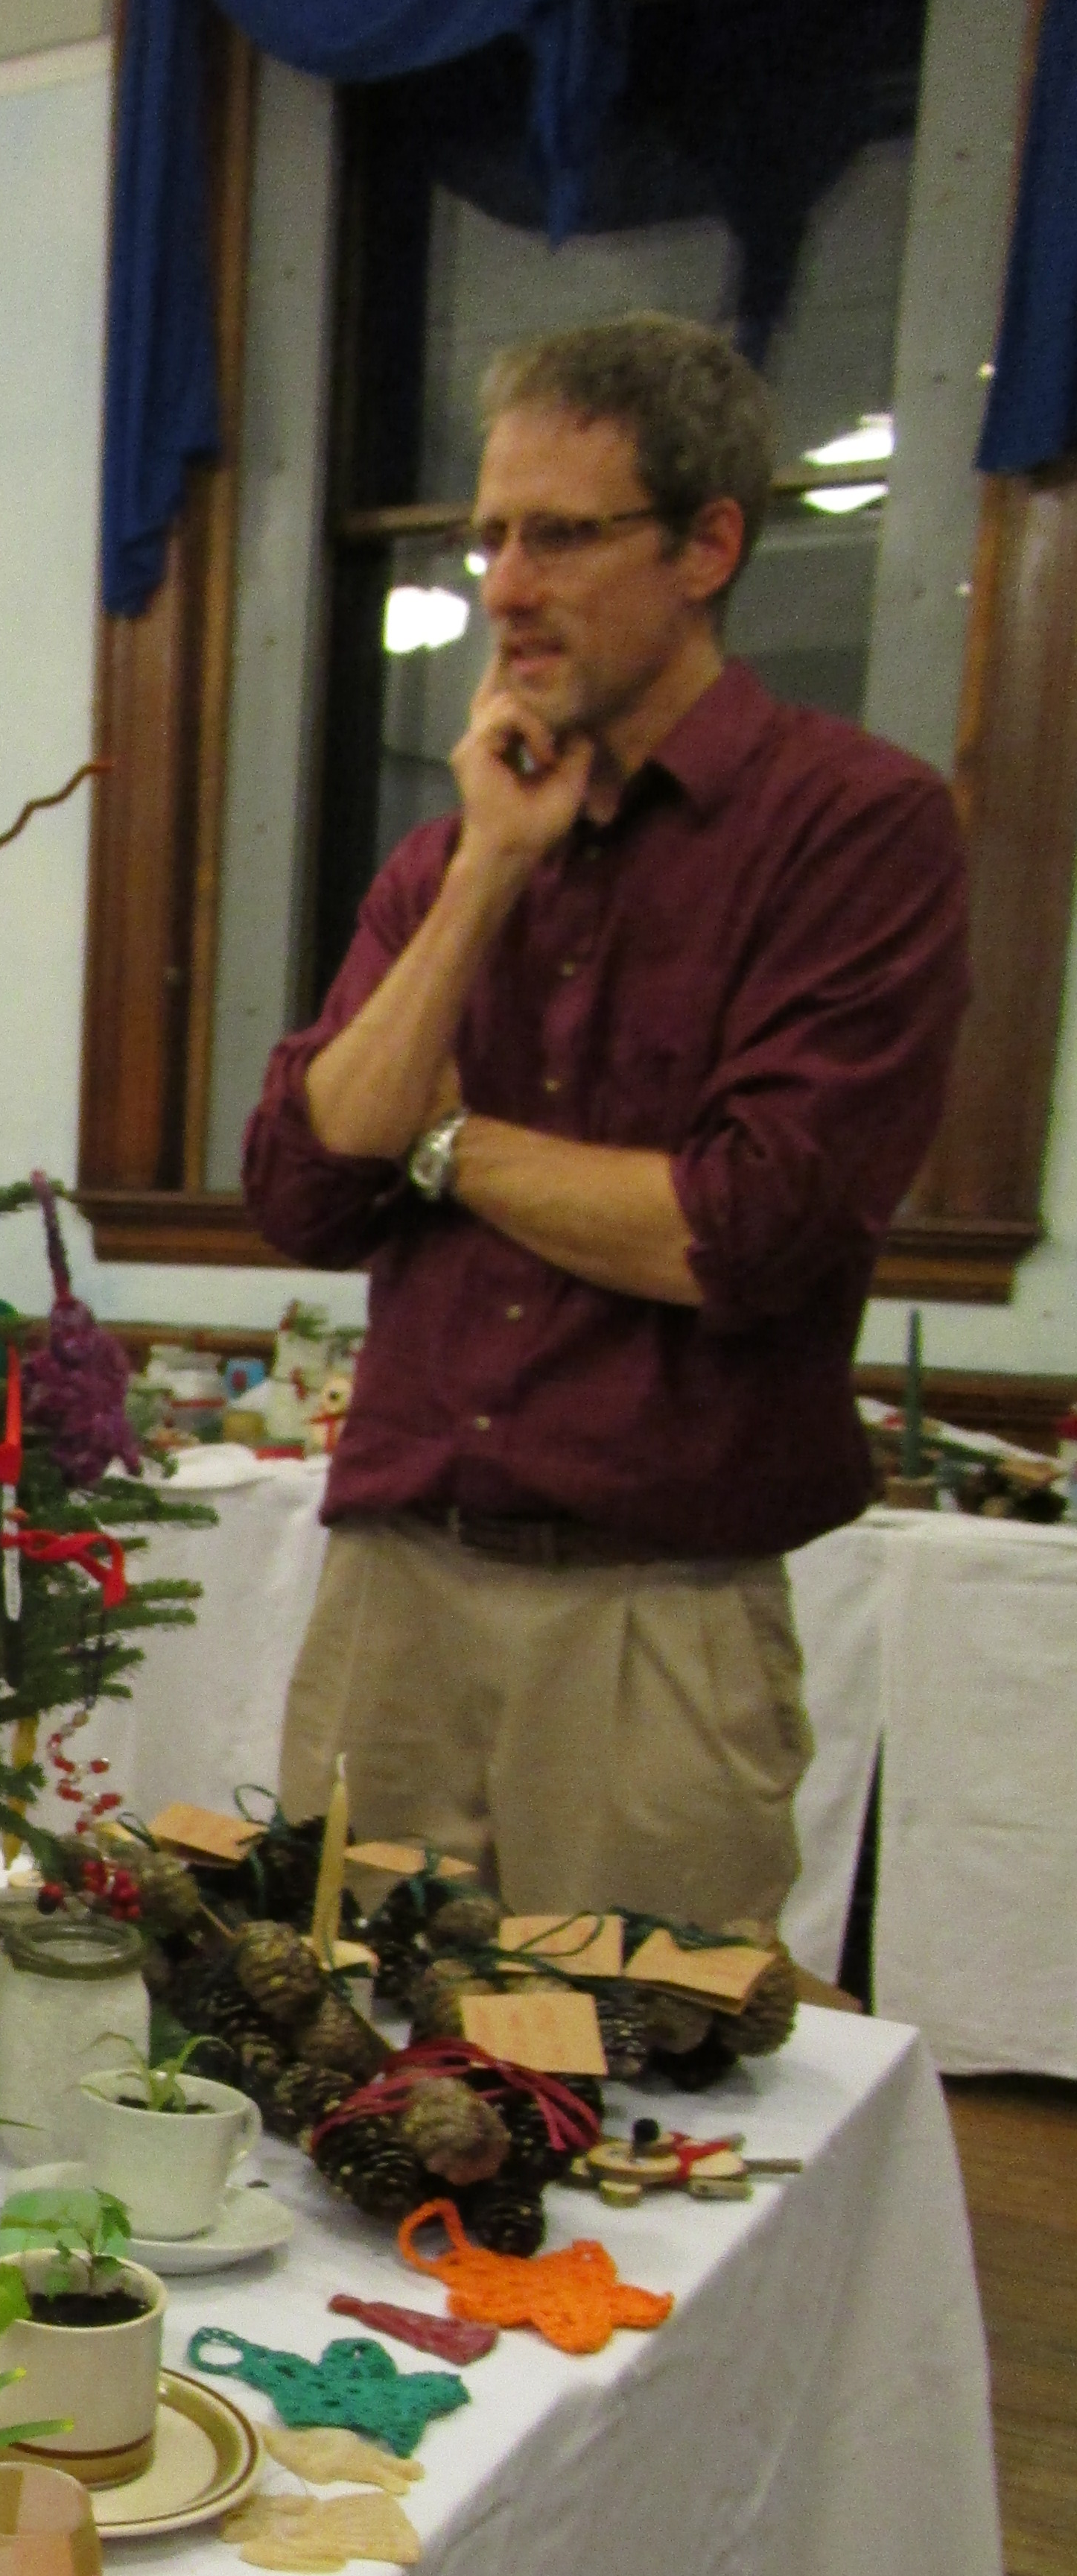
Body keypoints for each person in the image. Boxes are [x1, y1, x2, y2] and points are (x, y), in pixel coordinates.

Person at [244, 314, 969, 1929]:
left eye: (560, 536)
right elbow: (301, 1184)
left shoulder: (853, 830)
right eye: (489, 536)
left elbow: (744, 1231)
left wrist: (447, 1148)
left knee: (639, 2067)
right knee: (330, 2041)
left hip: (652, 1618)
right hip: (394, 1595)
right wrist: (487, 869)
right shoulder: (448, 856)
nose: (505, 586)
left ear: (706, 544)